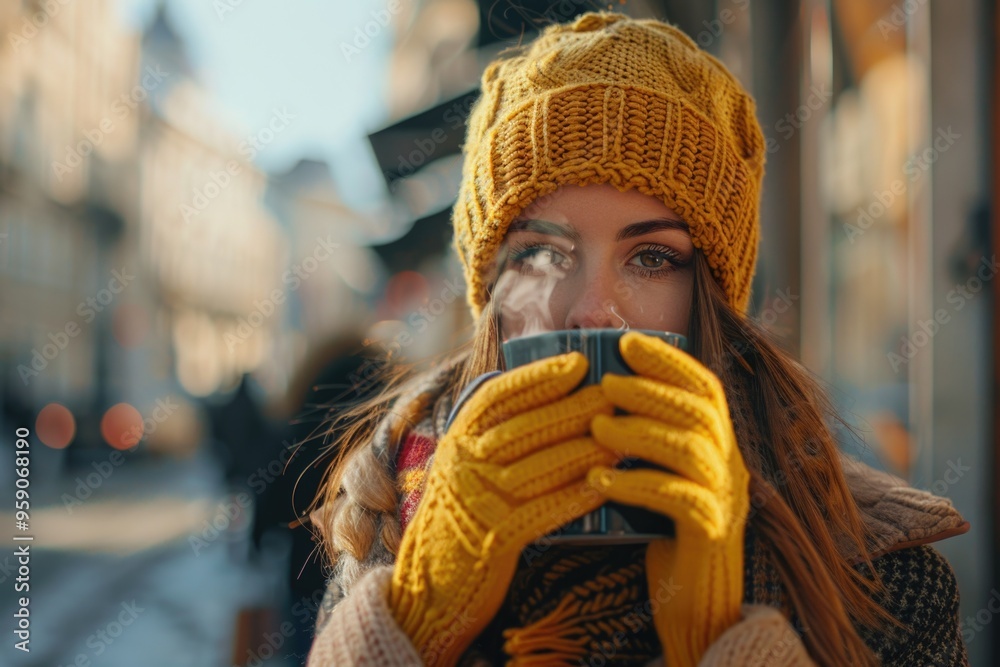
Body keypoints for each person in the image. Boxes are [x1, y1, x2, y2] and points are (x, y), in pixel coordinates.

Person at [305, 12, 970, 666]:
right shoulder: (393, 517)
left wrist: (724, 638)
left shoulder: (881, 581)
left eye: (652, 257)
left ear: (711, 296)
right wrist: (419, 619)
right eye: (540, 254)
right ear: (490, 297)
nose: (595, 311)